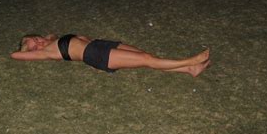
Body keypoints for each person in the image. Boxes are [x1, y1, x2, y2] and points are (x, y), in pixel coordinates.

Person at [11, 34, 210, 76]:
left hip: (100, 45)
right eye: (33, 46)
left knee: (145, 55)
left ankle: (189, 69)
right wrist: (26, 49)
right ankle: (191, 60)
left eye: (35, 39)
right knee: (148, 61)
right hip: (96, 55)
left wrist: (39, 39)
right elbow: (15, 56)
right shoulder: (45, 53)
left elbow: (50, 36)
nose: (38, 43)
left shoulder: (50, 41)